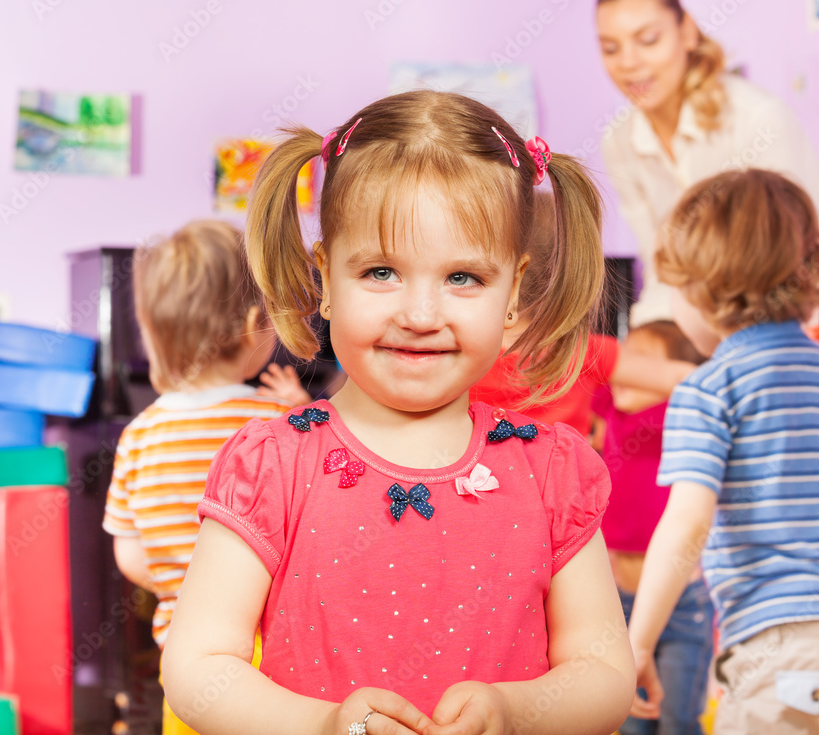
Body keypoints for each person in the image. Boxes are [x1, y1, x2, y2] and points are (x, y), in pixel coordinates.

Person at [161, 91, 635, 735]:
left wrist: (515, 712)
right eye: (381, 271)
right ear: (325, 279)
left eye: (463, 278)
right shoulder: (272, 465)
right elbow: (197, 665)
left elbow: (604, 674)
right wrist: (326, 725)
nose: (419, 315)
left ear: (515, 291)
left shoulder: (552, 472)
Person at [625, 169, 819, 733]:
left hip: (775, 643)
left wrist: (638, 643)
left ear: (697, 289)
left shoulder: (709, 389)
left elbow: (687, 525)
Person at [102, 220, 295, 735]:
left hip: (186, 662)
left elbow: (132, 556)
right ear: (257, 321)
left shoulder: (140, 434)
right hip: (272, 659)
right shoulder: (276, 419)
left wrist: (178, 579)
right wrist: (305, 410)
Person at [596, 0, 819, 327]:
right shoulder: (618, 142)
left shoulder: (758, 120)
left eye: (648, 40)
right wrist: (645, 331)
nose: (629, 63)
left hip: (781, 314)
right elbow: (660, 270)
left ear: (686, 32)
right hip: (693, 319)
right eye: (611, 48)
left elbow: (802, 253)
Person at [470, 192, 697, 437]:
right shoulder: (581, 351)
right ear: (572, 276)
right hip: (566, 474)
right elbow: (680, 378)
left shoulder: (468, 351)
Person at [592, 321, 713, 735]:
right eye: (629, 357)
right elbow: (594, 366)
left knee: (679, 718)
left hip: (681, 604)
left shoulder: (679, 417)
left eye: (644, 363)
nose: (630, 369)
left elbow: (695, 387)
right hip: (619, 601)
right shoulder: (610, 410)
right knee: (627, 721)